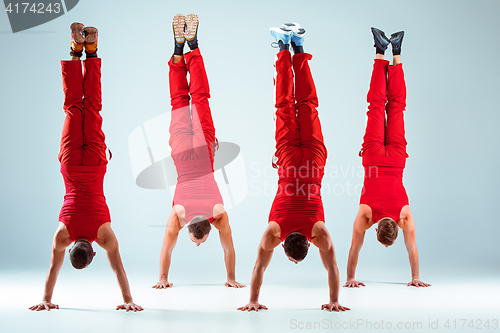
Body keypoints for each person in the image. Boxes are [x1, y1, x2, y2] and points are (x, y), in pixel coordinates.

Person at [29, 23, 143, 312]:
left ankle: (91, 51)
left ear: (94, 251)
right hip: (70, 165)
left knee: (90, 108)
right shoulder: (62, 236)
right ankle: (74, 50)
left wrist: (128, 300)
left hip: (94, 166)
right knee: (72, 107)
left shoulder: (103, 234)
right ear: (71, 249)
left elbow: (119, 270)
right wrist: (45, 298)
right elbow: (53, 270)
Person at [238, 24, 349, 312]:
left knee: (308, 106)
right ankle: (283, 47)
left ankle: (298, 46)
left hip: (313, 160)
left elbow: (333, 267)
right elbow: (258, 268)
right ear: (283, 243)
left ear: (308, 243)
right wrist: (252, 300)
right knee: (284, 107)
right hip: (288, 159)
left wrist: (335, 300)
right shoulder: (274, 231)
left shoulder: (319, 231)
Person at [152, 14, 245, 290]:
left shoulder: (219, 214)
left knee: (200, 98)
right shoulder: (177, 216)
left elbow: (229, 249)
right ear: (191, 229)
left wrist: (231, 277)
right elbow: (167, 250)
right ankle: (178, 50)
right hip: (181, 154)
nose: (197, 244)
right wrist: (162, 279)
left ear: (206, 227)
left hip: (205, 150)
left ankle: (193, 46)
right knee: (179, 100)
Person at [344, 28, 430, 289]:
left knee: (396, 108)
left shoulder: (405, 216)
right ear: (377, 228)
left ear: (394, 227)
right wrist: (349, 278)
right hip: (372, 158)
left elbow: (412, 248)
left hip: (395, 159)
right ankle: (380, 51)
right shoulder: (366, 216)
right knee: (375, 106)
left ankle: (397, 52)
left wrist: (416, 277)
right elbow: (354, 249)